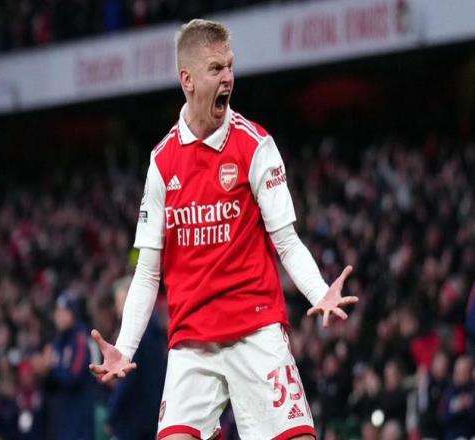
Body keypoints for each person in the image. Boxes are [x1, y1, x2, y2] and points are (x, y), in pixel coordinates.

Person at [90, 18, 358, 440]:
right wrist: (124, 347)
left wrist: (319, 291)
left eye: (230, 66)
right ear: (188, 79)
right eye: (216, 69)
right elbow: (147, 271)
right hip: (191, 342)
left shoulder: (255, 145)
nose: (228, 77)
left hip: (256, 330)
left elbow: (287, 242)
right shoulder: (162, 162)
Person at [105, 276, 166, 440]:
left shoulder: (134, 338)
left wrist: (112, 415)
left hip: (131, 420)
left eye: (122, 302)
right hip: (151, 417)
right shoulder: (155, 330)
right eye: (118, 303)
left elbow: (127, 380)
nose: (119, 308)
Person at [33, 291, 94, 440]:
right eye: (57, 311)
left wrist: (50, 369)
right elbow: (51, 384)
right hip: (61, 417)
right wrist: (43, 372)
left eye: (64, 311)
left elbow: (74, 376)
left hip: (79, 415)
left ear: (73, 313)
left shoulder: (81, 338)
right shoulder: (58, 339)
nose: (58, 316)